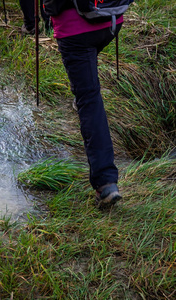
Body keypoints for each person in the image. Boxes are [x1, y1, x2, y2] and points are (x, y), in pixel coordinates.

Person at [51, 6, 123, 209]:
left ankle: (106, 183)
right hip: (112, 19)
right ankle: (83, 90)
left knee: (89, 99)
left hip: (75, 30)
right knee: (87, 92)